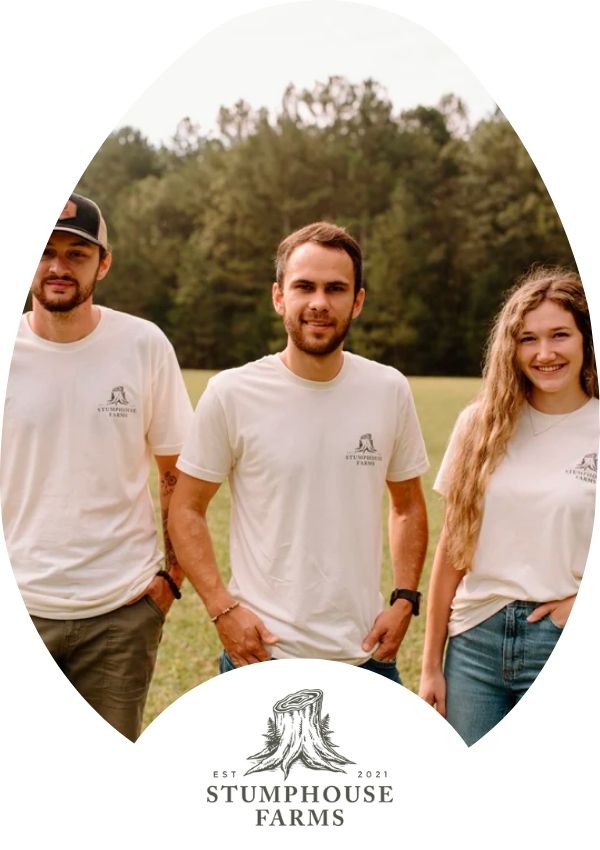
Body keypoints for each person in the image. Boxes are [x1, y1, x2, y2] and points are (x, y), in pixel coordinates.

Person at [168, 221, 429, 682]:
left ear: (358, 300)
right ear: (278, 297)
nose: (319, 303)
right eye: (304, 286)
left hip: (366, 656)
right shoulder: (231, 393)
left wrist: (406, 598)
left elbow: (407, 506)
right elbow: (186, 509)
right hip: (261, 656)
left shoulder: (388, 389)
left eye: (336, 288)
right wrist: (220, 607)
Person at [1, 192, 193, 741]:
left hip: (120, 613)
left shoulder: (142, 344)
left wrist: (168, 581)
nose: (59, 266)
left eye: (77, 254)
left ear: (102, 264)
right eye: (45, 252)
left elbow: (176, 470)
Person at [419, 267, 598, 745]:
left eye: (560, 335)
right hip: (474, 640)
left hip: (562, 643)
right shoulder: (479, 425)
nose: (545, 353)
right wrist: (431, 666)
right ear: (511, 348)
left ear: (586, 337)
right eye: (528, 339)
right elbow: (453, 550)